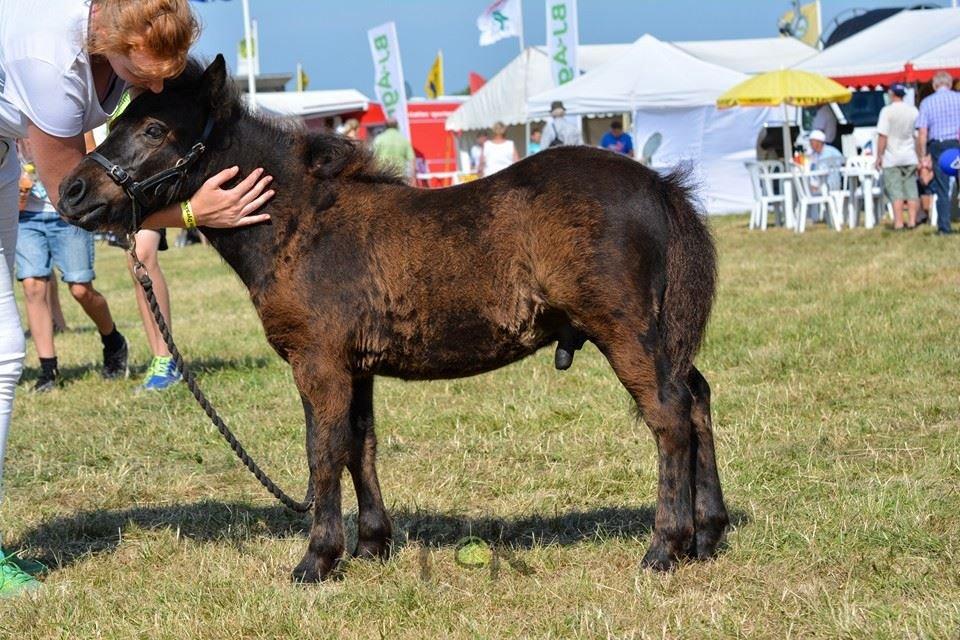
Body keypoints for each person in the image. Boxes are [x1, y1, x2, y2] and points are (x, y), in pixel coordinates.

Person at [0, 0, 274, 596]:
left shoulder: (121, 46)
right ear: (110, 38)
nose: (155, 86)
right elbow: (73, 198)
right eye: (144, 73)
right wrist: (195, 213)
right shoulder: (49, 57)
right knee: (3, 353)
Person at [16, 139, 128, 392]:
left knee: (81, 289)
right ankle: (48, 371)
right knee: (33, 286)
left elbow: (91, 154)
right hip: (26, 217)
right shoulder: (9, 116)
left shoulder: (65, 113)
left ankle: (113, 341)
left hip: (67, 215)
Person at [916, 71, 960, 235]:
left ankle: (944, 228)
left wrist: (923, 155)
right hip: (957, 144)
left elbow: (922, 132)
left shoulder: (927, 102)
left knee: (942, 188)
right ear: (950, 84)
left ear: (934, 85)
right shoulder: (958, 98)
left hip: (938, 146)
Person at [875, 83, 920, 230]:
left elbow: (883, 136)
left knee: (896, 191)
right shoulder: (913, 111)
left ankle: (899, 222)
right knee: (911, 189)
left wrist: (879, 156)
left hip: (892, 157)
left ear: (891, 93)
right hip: (909, 155)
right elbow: (917, 135)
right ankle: (913, 221)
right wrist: (920, 156)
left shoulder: (887, 111)